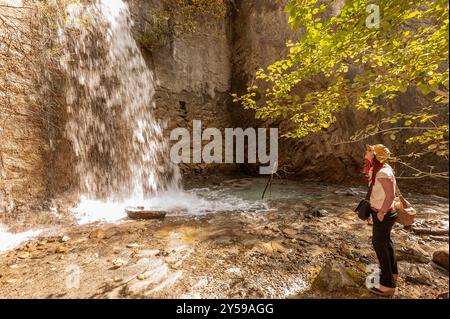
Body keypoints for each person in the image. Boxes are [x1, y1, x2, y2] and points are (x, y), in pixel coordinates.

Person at [363, 144, 398, 297]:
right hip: (382, 213)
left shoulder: (383, 172)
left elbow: (390, 195)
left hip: (384, 214)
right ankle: (392, 274)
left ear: (375, 155)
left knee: (379, 244)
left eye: (369, 151)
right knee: (386, 242)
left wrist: (381, 212)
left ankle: (387, 285)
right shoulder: (380, 169)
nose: (366, 152)